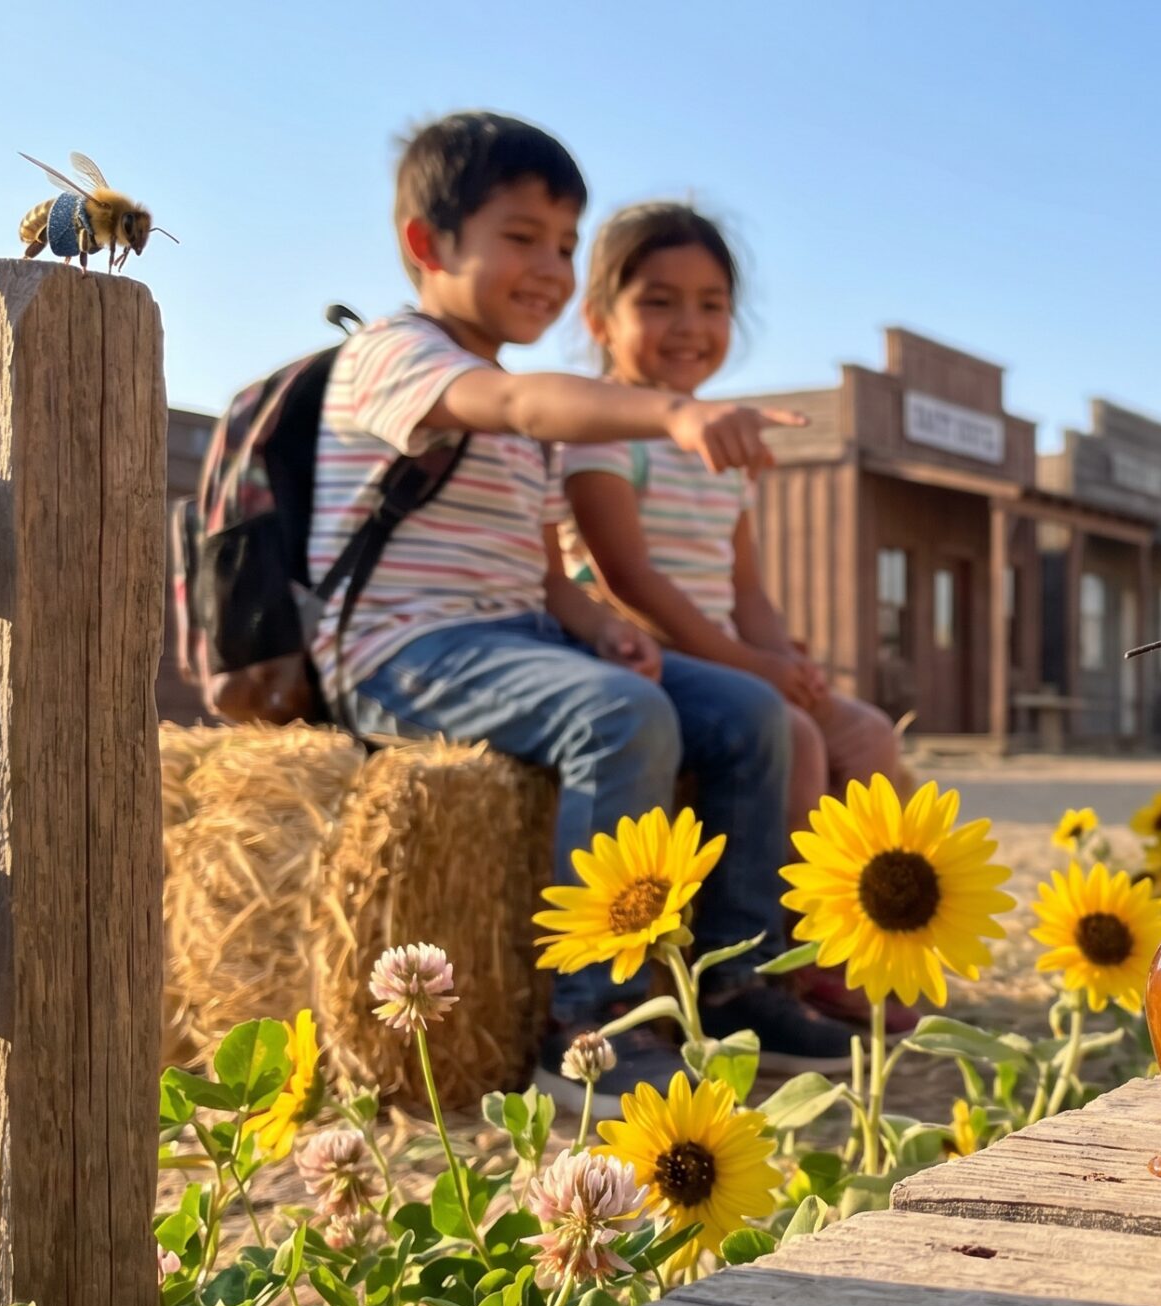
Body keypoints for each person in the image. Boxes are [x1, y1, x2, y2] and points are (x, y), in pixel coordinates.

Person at [312, 112, 854, 1113]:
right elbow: (517, 407)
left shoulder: (510, 401)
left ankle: (734, 981)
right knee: (619, 714)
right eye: (522, 237)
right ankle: (590, 1024)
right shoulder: (396, 356)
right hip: (403, 649)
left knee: (751, 712)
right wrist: (674, 413)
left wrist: (597, 622)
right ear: (425, 245)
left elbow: (535, 569)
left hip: (515, 636)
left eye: (564, 243)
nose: (551, 266)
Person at [551, 201, 917, 1030]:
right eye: (658, 301)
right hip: (643, 656)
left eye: (712, 303)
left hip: (726, 653)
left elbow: (745, 585)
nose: (690, 325)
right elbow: (628, 579)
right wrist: (752, 668)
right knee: (798, 738)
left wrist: (780, 648)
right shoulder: (601, 433)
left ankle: (864, 939)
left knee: (867, 735)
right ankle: (785, 958)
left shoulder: (725, 446)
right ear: (599, 319)